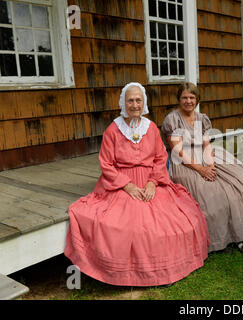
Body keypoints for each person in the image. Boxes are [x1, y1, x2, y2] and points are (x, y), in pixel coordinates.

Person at [64, 82, 210, 287]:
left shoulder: (150, 128)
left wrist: (152, 182)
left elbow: (160, 157)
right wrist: (127, 185)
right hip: (122, 183)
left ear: (144, 103)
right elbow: (106, 164)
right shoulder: (113, 130)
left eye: (138, 100)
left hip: (151, 180)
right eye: (130, 100)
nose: (135, 104)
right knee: (129, 225)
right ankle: (134, 273)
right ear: (123, 103)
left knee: (175, 220)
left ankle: (165, 268)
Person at [161, 82, 243, 254]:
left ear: (197, 100)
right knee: (209, 193)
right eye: (184, 97)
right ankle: (218, 239)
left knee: (237, 180)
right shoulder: (172, 120)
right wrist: (201, 169)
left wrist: (210, 164)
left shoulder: (201, 118)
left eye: (192, 97)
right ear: (179, 99)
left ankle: (235, 235)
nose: (188, 101)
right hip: (184, 161)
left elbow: (205, 144)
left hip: (203, 156)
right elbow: (177, 151)